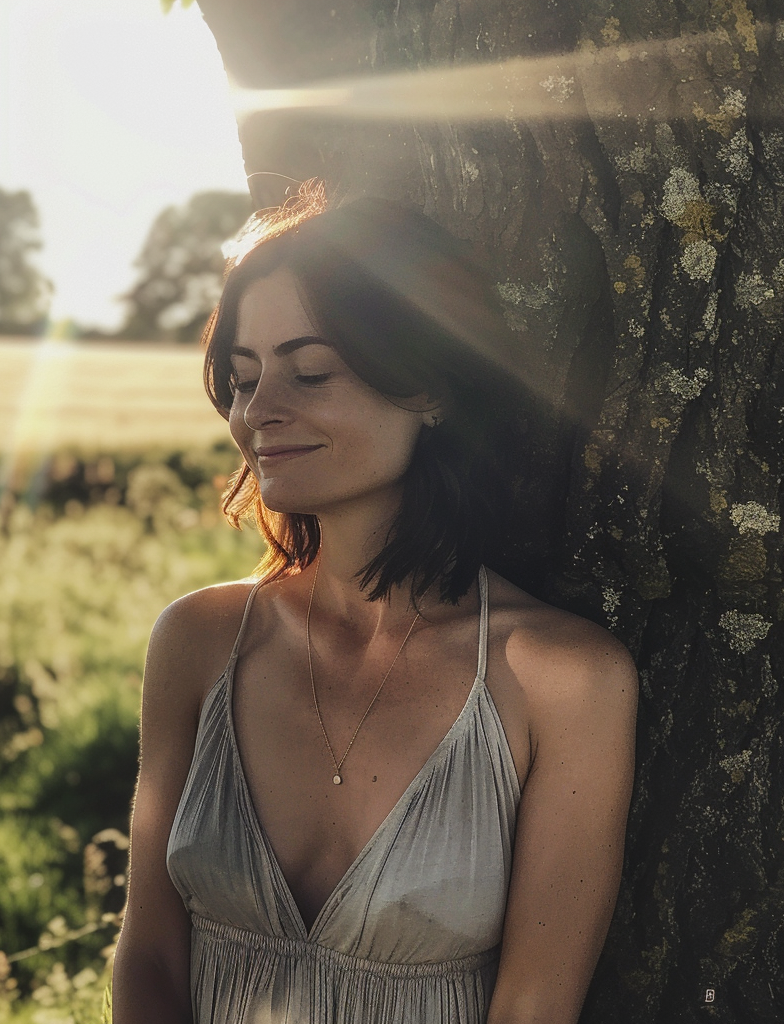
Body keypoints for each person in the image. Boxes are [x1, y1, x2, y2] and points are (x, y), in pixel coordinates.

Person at [112, 181, 638, 1024]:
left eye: (310, 372)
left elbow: (535, 1004)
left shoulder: (563, 680)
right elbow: (148, 956)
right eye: (243, 380)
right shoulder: (199, 641)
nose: (259, 414)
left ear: (429, 388)